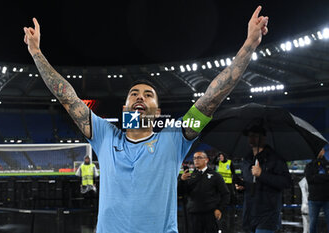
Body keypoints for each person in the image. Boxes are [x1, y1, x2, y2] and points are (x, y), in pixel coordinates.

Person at [23, 6, 269, 233]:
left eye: (148, 95)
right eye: (134, 94)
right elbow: (67, 97)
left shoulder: (176, 137)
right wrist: (36, 53)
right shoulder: (104, 134)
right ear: (125, 107)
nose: (140, 97)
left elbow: (212, 98)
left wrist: (248, 46)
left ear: (158, 111)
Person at [235, 125, 291, 233]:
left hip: (267, 216)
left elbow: (286, 182)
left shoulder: (275, 159)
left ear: (263, 138)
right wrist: (242, 187)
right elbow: (251, 184)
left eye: (255, 136)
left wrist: (262, 174)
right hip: (249, 215)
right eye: (250, 136)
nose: (251, 139)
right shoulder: (247, 160)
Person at [178, 151, 229, 233]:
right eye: (194, 158)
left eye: (199, 157)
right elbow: (180, 193)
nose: (196, 160)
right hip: (193, 214)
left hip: (210, 214)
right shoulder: (189, 176)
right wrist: (182, 180)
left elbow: (225, 194)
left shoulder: (215, 176)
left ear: (206, 160)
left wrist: (219, 209)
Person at [305, 148, 329, 233]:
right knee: (313, 223)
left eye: (321, 150)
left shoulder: (328, 165)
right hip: (313, 199)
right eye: (318, 150)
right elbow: (309, 179)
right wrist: (324, 177)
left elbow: (313, 178)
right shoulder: (309, 165)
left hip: (327, 199)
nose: (320, 152)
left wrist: (316, 177)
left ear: (324, 152)